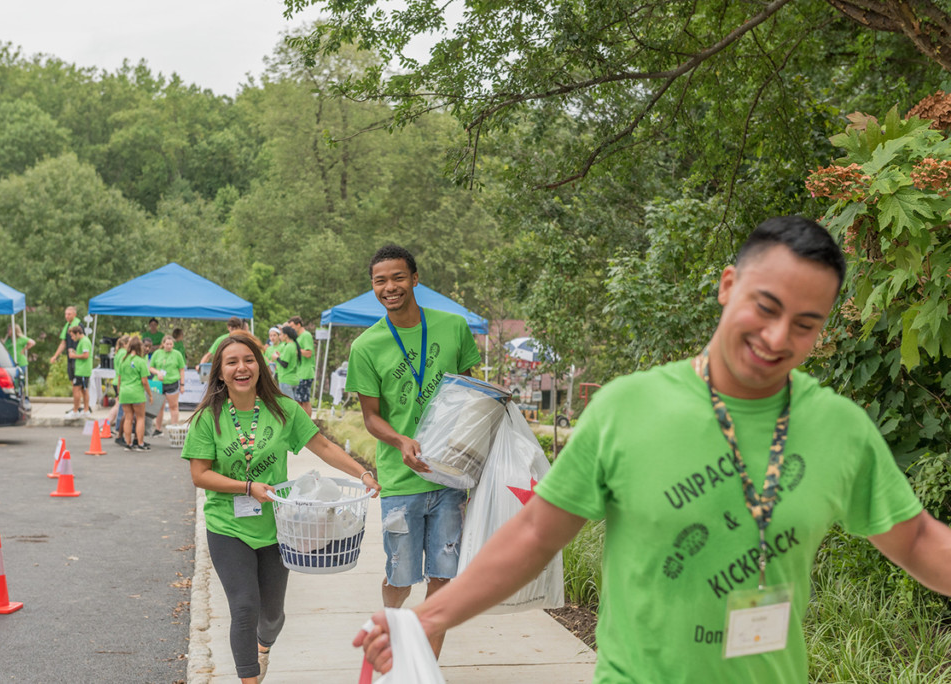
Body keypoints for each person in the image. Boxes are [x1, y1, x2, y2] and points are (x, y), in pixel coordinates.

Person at [355, 217, 951, 682]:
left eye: (805, 324)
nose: (777, 338)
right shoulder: (628, 409)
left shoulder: (839, 428)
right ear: (727, 286)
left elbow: (919, 539)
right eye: (765, 308)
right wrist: (425, 618)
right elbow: (536, 533)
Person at [181, 332, 380, 684]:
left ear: (260, 365)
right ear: (220, 372)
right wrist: (246, 487)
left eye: (248, 360)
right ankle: (249, 679)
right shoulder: (207, 419)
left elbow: (322, 445)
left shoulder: (282, 410)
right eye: (232, 362)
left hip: (278, 529)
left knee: (271, 616)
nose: (241, 368)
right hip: (228, 526)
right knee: (244, 607)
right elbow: (200, 475)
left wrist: (362, 472)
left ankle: (262, 648)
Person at [345, 244, 481, 658]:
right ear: (373, 287)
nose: (390, 287)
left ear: (415, 279)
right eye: (380, 281)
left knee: (443, 578)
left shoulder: (453, 327)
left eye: (398, 277)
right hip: (401, 479)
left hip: (449, 476)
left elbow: (471, 394)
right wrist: (401, 440)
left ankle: (425, 667)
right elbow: (371, 417)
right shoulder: (366, 347)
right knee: (401, 579)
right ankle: (390, 633)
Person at [119, 335, 153, 451]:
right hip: (136, 392)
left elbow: (119, 378)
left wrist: (119, 392)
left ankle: (128, 443)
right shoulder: (141, 361)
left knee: (128, 418)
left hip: (124, 392)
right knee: (140, 418)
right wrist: (150, 394)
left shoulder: (123, 360)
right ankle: (140, 443)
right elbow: (144, 381)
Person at [49, 306, 82, 416]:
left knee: (77, 387)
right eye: (66, 314)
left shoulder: (78, 325)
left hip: (77, 360)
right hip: (70, 359)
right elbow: (63, 343)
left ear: (74, 314)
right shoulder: (67, 325)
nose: (67, 316)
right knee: (74, 384)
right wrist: (55, 356)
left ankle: (78, 409)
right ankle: (76, 407)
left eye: (69, 314)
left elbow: (82, 342)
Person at [151, 335, 187, 436]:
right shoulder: (157, 353)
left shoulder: (177, 354)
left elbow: (181, 369)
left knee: (173, 406)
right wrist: (158, 372)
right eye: (167, 344)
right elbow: (151, 368)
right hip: (159, 384)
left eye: (171, 344)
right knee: (159, 407)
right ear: (163, 344)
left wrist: (182, 385)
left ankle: (174, 429)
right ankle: (158, 429)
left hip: (172, 382)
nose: (169, 346)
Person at [287, 316, 315, 417]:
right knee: (299, 400)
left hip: (306, 372)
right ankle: (302, 423)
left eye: (292, 326)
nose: (291, 329)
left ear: (298, 325)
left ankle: (308, 424)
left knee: (304, 400)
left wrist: (295, 350)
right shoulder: (298, 338)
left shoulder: (306, 335)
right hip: (299, 373)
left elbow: (308, 353)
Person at [107, 335, 130, 447]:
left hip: (117, 380)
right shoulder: (123, 353)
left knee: (118, 404)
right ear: (125, 343)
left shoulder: (119, 352)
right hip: (119, 381)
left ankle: (109, 424)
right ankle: (109, 424)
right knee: (119, 406)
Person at [67, 326, 93, 418]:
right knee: (84, 390)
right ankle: (85, 410)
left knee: (76, 389)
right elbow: (83, 353)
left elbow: (86, 355)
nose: (72, 338)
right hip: (83, 370)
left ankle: (75, 411)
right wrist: (75, 352)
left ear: (78, 333)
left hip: (82, 370)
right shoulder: (82, 341)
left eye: (73, 335)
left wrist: (74, 355)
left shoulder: (84, 341)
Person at [271, 326, 301, 401]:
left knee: (289, 405)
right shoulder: (293, 345)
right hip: (293, 379)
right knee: (293, 403)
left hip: (286, 379)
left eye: (281, 334)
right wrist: (279, 356)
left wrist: (276, 358)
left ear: (286, 335)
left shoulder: (288, 347)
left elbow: (285, 364)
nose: (280, 336)